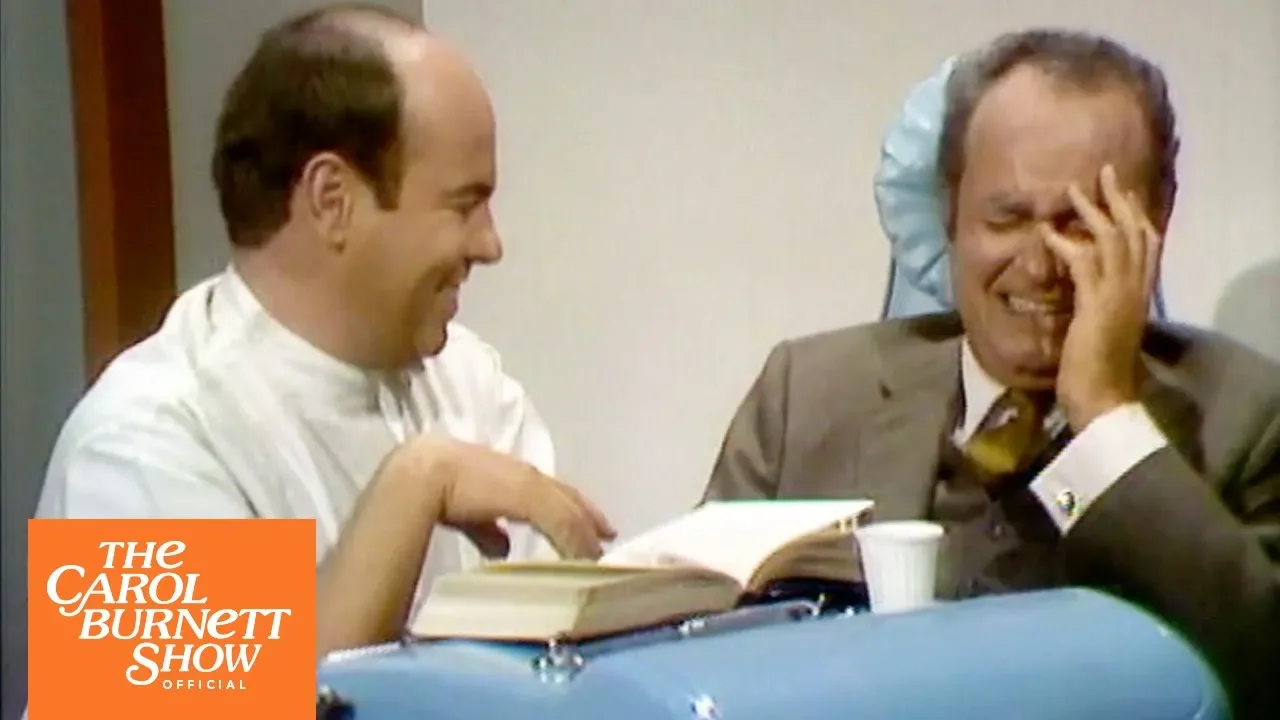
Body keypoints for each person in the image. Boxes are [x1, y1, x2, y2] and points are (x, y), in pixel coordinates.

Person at [703, 29, 1278, 717]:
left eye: (1082, 224)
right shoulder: (807, 395)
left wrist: (1104, 415)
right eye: (1007, 219)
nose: (1038, 267)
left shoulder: (1248, 419)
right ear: (949, 212)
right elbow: (693, 648)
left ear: (1155, 218)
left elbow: (1268, 672)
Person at [35, 4, 615, 657]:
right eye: (464, 205)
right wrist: (417, 484)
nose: (490, 244)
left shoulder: (471, 385)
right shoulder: (136, 445)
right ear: (331, 199)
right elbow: (246, 698)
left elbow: (561, 659)